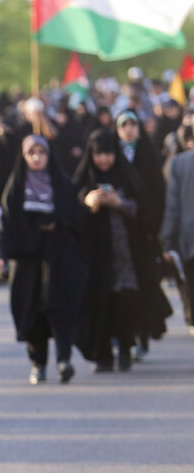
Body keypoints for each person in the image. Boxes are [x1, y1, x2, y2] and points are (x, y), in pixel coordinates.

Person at [0, 135, 89, 384]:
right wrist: (1, 256)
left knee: (61, 307)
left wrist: (57, 222)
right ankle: (39, 364)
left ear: (49, 155)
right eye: (31, 153)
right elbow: (6, 225)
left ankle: (64, 360)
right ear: (23, 156)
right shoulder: (16, 187)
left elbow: (77, 219)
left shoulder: (62, 184)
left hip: (59, 256)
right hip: (27, 261)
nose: (37, 157)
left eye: (41, 152)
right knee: (32, 311)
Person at [72, 129, 146, 372]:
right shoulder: (84, 178)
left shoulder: (127, 176)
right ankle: (103, 355)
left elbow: (143, 210)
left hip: (125, 257)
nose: (104, 159)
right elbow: (70, 212)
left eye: (108, 153)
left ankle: (125, 349)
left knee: (125, 303)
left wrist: (118, 203)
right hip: (95, 259)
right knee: (99, 304)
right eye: (98, 154)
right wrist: (87, 201)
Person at [114, 110, 172, 358]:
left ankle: (143, 335)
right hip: (118, 235)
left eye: (132, 125)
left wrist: (153, 225)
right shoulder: (112, 156)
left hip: (144, 233)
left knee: (144, 284)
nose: (128, 129)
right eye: (123, 125)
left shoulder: (148, 155)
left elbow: (158, 193)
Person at [161, 126, 194, 332]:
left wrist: (167, 241)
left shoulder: (180, 163)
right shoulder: (180, 164)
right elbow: (172, 206)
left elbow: (172, 208)